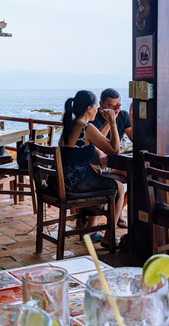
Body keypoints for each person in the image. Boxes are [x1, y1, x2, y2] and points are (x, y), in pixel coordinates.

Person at [59, 90, 124, 245]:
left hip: (62, 182)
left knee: (107, 179)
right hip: (77, 185)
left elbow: (96, 140)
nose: (97, 110)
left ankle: (91, 227)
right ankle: (108, 237)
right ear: (89, 109)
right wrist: (113, 121)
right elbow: (114, 149)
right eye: (95, 107)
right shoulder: (86, 127)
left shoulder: (70, 125)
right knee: (119, 187)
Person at [91, 88, 133, 228]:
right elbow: (94, 141)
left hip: (114, 165)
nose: (114, 109)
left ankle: (118, 212)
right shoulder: (93, 117)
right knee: (98, 177)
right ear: (101, 104)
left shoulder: (123, 115)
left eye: (117, 105)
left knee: (136, 178)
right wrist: (111, 120)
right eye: (110, 106)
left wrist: (132, 118)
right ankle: (93, 225)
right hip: (97, 165)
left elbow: (134, 138)